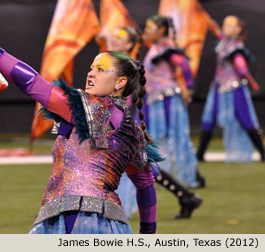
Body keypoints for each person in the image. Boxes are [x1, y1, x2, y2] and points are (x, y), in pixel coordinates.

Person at [0, 29, 164, 234]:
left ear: (121, 82)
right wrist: (147, 232)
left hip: (78, 220)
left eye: (101, 69)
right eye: (91, 68)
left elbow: (33, 83)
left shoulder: (88, 108)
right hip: (107, 224)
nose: (91, 73)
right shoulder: (133, 130)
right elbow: (145, 184)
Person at [106, 26, 203, 219]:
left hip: (122, 123)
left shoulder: (128, 67)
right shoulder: (117, 64)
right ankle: (186, 196)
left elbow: (124, 98)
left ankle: (185, 196)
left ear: (130, 44)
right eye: (114, 36)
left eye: (121, 37)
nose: (115, 39)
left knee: (140, 165)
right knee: (142, 165)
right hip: (118, 122)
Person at [139, 15, 205, 207]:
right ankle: (170, 175)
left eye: (150, 27)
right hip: (155, 99)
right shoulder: (156, 48)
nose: (147, 30)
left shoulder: (166, 47)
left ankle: (190, 175)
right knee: (157, 138)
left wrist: (190, 88)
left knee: (173, 137)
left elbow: (183, 64)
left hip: (166, 99)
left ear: (160, 30)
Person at [196, 15, 264, 162]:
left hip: (234, 88)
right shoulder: (224, 43)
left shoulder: (236, 47)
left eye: (229, 25)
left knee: (246, 120)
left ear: (238, 29)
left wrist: (251, 81)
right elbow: (219, 33)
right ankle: (200, 154)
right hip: (218, 88)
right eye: (224, 24)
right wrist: (212, 25)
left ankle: (263, 153)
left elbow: (242, 67)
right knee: (208, 119)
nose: (225, 27)